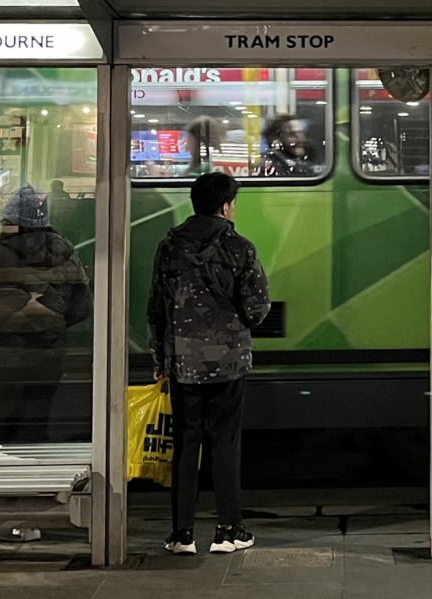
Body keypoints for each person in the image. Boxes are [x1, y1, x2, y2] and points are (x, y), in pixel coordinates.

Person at [0, 185, 91, 543]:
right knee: (35, 436)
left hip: (2, 363)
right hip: (47, 361)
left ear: (13, 221)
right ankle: (28, 521)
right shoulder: (65, 255)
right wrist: (51, 327)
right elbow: (82, 307)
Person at [147, 172, 271, 555]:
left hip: (182, 362)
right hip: (228, 363)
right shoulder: (239, 247)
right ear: (225, 206)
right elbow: (257, 309)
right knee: (225, 444)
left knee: (185, 445)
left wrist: (160, 358)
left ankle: (182, 534)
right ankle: (229, 530)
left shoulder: (169, 247)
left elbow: (157, 308)